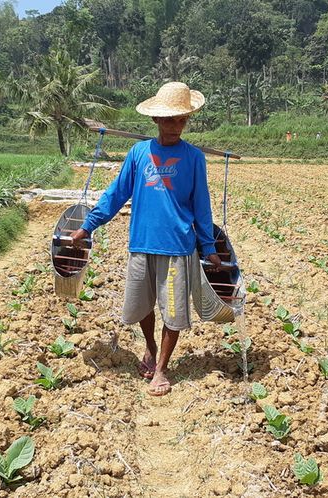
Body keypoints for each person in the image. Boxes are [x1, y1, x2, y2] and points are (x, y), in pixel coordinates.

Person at [69, 82, 222, 397]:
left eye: (181, 120)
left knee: (174, 310)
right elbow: (116, 194)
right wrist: (88, 226)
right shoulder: (139, 153)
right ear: (155, 120)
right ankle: (151, 347)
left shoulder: (193, 158)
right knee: (142, 307)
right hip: (142, 244)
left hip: (178, 248)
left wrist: (208, 246)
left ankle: (162, 369)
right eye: (168, 120)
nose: (175, 126)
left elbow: (202, 205)